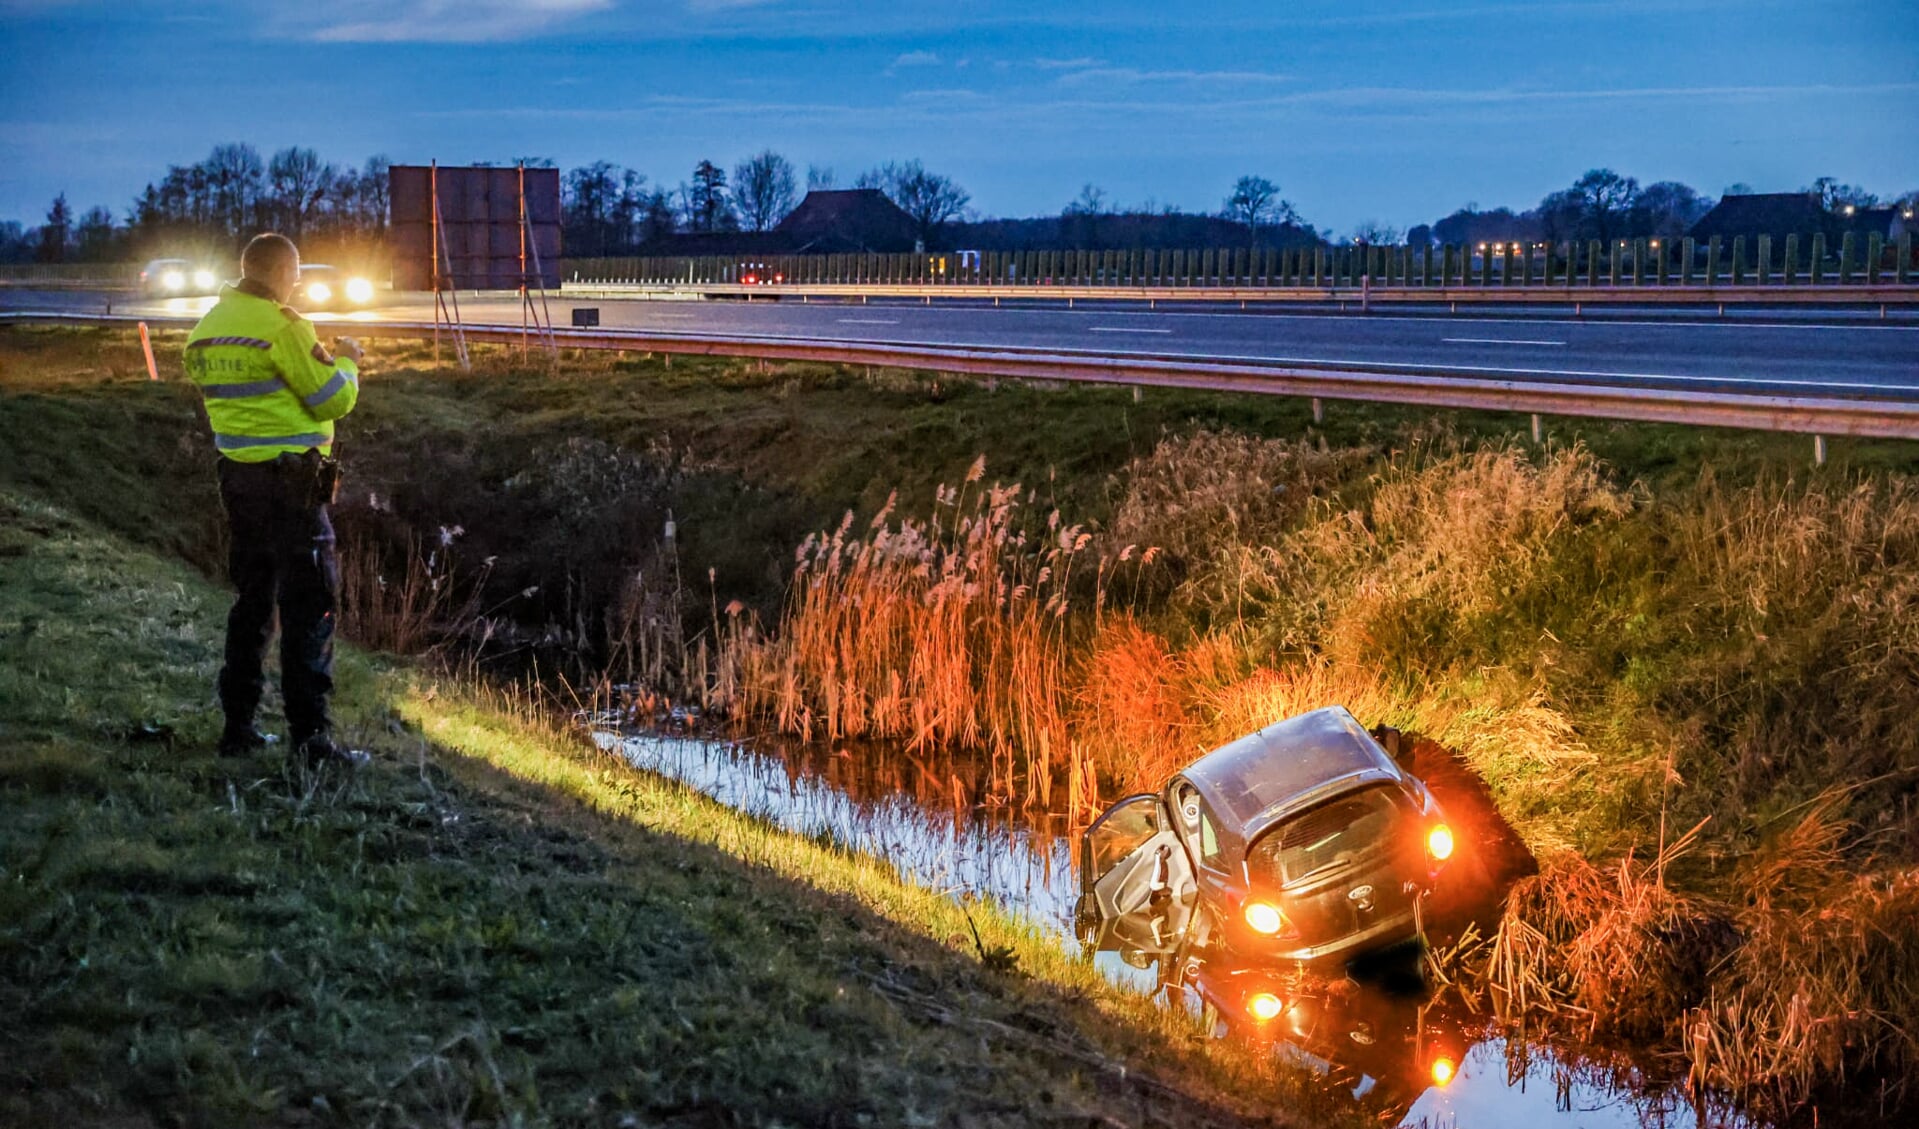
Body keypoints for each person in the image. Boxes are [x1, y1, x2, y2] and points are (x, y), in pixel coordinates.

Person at [184, 232, 367, 767]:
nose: (298, 284)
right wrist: (348, 361)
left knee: (253, 602)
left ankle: (237, 727)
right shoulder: (284, 326)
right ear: (283, 272)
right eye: (295, 275)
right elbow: (334, 397)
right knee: (310, 604)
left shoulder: (205, 332)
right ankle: (311, 740)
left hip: (238, 481)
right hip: (292, 483)